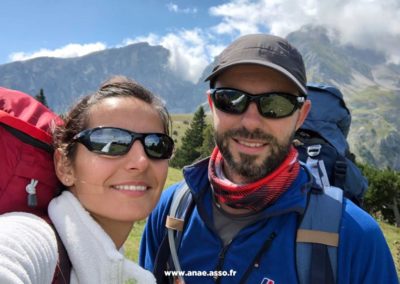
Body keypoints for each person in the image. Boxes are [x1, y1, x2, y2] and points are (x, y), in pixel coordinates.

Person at [139, 34, 398, 283]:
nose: (251, 122)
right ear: (212, 104)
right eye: (231, 99)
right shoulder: (170, 209)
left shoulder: (355, 236)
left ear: (301, 115)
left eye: (276, 104)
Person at [0, 76, 175, 284]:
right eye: (110, 141)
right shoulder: (31, 241)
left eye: (156, 145)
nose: (141, 161)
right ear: (65, 165)